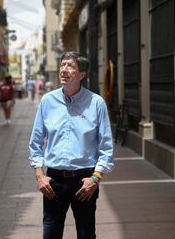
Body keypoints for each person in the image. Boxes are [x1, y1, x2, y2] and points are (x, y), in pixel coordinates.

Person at [28, 51, 114, 239]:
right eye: (62, 65)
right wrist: (40, 176)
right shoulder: (48, 101)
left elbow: (106, 147)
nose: (64, 70)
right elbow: (35, 142)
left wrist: (95, 179)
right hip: (54, 181)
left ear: (82, 74)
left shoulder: (96, 103)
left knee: (86, 234)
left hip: (84, 181)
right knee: (50, 233)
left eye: (70, 66)